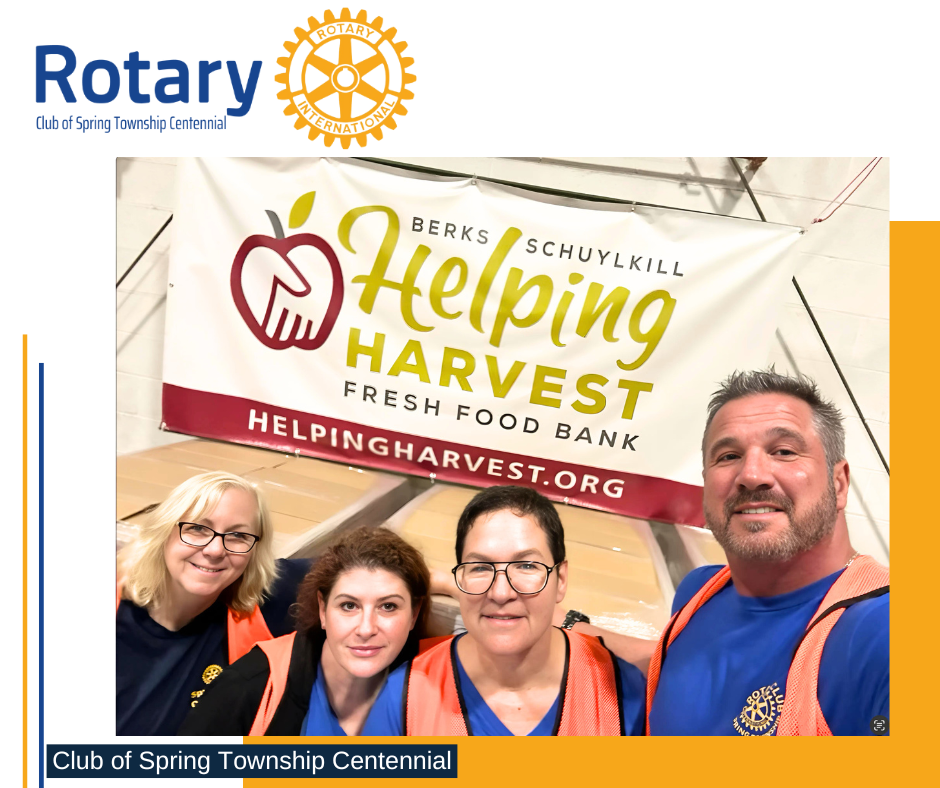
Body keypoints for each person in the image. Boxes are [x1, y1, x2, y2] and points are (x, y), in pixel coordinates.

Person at [646, 370, 889, 736]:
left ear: (838, 484)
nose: (752, 474)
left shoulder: (881, 630)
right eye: (728, 456)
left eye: (784, 452)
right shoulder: (699, 591)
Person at [368, 485, 647, 736]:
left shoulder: (622, 696)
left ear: (560, 580)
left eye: (527, 566)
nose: (501, 593)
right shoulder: (403, 701)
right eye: (479, 567)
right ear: (460, 579)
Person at [178, 526, 430, 736]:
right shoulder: (248, 689)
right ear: (323, 610)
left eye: (388, 606)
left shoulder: (438, 695)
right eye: (348, 605)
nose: (366, 629)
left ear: (414, 614)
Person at [116, 471, 309, 735]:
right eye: (197, 529)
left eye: (238, 536)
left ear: (255, 551)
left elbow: (358, 564)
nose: (215, 550)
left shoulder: (268, 606)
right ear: (163, 532)